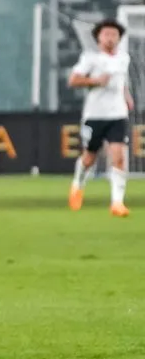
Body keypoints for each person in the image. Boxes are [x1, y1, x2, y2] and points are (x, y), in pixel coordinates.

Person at [68, 18, 134, 217]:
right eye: (106, 34)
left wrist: (127, 96)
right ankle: (77, 185)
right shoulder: (90, 58)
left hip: (117, 114)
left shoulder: (124, 58)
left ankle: (117, 203)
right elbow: (73, 80)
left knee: (119, 156)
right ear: (98, 37)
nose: (110, 38)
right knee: (89, 158)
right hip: (94, 115)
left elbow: (121, 81)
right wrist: (96, 80)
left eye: (114, 34)